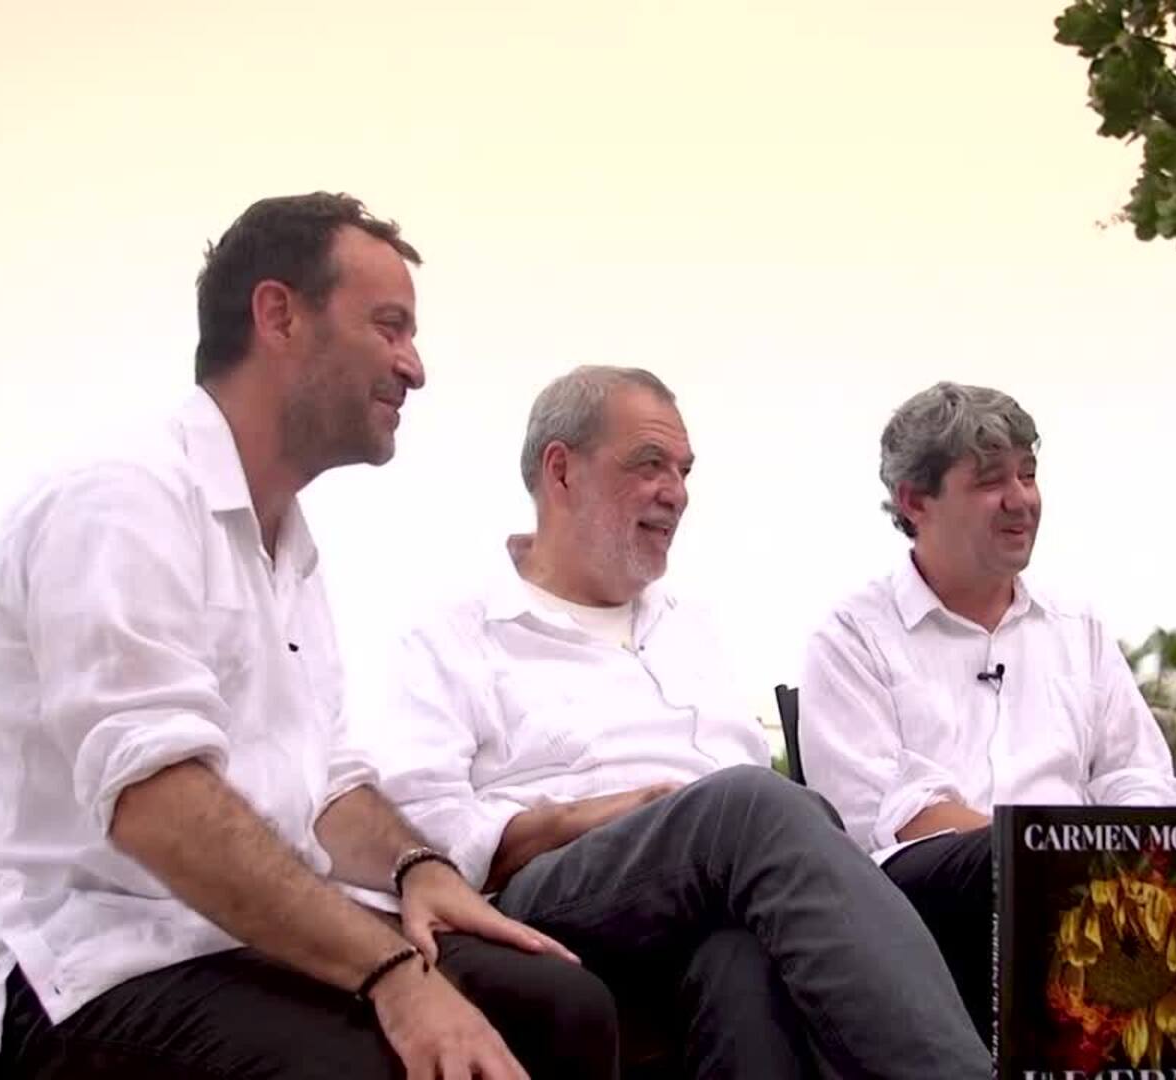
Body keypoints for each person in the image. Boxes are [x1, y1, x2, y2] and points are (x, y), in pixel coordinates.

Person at [0, 193, 616, 1080]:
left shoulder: (288, 545)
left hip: (226, 943)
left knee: (564, 1009)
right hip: (67, 970)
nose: (415, 366)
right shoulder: (119, 500)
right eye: (389, 327)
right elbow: (157, 805)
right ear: (279, 314)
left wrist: (418, 869)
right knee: (384, 1063)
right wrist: (393, 974)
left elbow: (328, 782)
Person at [372, 365, 992, 1080]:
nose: (676, 491)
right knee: (750, 805)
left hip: (711, 881)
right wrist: (583, 818)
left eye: (684, 470)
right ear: (561, 470)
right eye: (649, 465)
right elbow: (420, 824)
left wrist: (700, 819)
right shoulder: (455, 632)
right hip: (552, 888)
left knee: (738, 960)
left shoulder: (690, 627)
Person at [798, 380, 1176, 1080]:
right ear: (914, 500)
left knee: (1159, 914)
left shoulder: (1075, 625)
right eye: (990, 481)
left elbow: (1139, 775)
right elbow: (889, 812)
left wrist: (1111, 863)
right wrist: (1055, 860)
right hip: (924, 910)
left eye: (1028, 475)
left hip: (1094, 900)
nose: (1021, 499)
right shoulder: (852, 635)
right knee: (1006, 866)